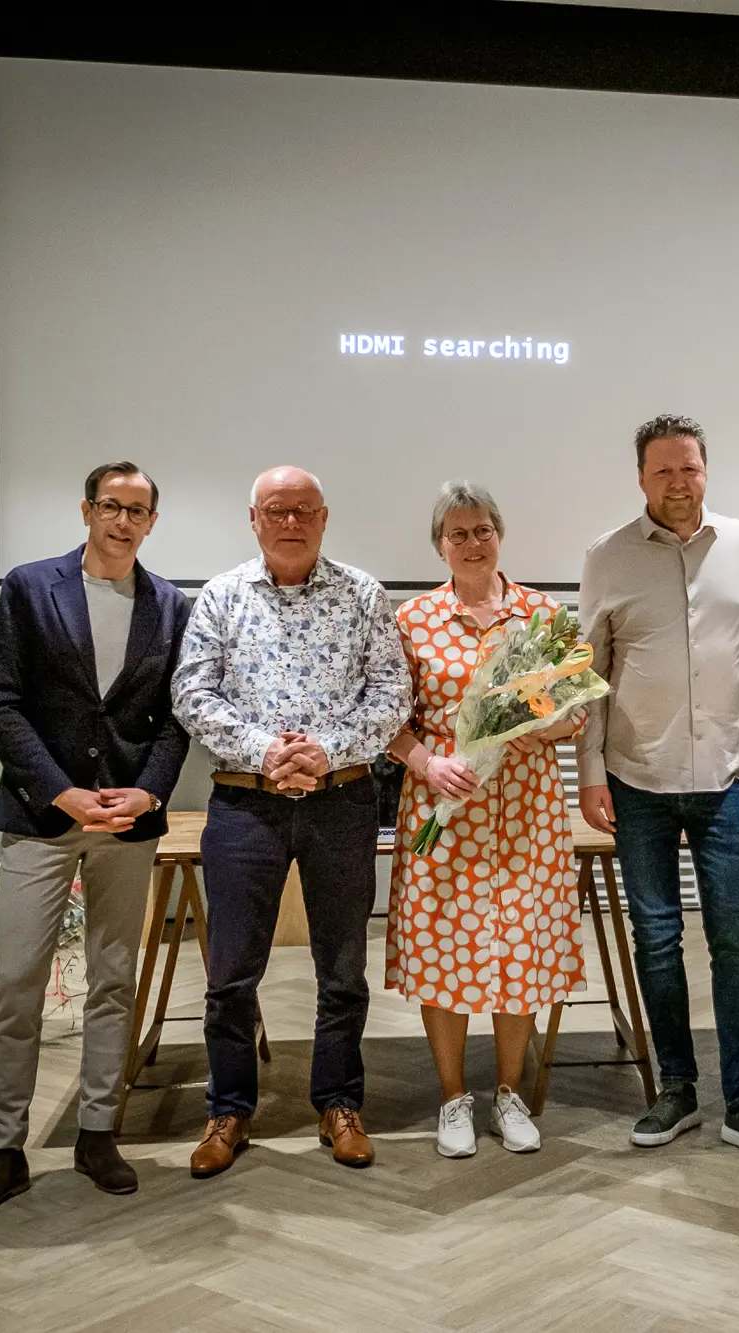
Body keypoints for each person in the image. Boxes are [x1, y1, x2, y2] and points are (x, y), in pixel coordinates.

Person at [0, 462, 191, 1224]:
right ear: (87, 510)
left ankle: (97, 1133)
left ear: (152, 522)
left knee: (115, 980)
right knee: (19, 983)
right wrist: (61, 790)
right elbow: (0, 702)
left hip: (126, 821)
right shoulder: (29, 587)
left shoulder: (171, 605)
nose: (123, 520)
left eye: (138, 510)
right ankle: (3, 1151)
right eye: (112, 505)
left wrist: (149, 791)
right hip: (40, 817)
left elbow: (178, 716)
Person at [171, 466, 408, 1178]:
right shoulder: (220, 596)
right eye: (276, 510)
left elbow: (392, 693)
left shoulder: (364, 593)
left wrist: (326, 750)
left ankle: (340, 1103)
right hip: (246, 802)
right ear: (254, 519)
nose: (291, 521)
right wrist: (267, 751)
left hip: (342, 799)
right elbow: (192, 693)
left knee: (343, 968)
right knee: (230, 973)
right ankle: (228, 1109)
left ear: (324, 517)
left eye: (304, 510)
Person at [577, 414, 739, 1163]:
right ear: (641, 478)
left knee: (736, 942)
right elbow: (589, 677)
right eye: (664, 470)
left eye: (690, 467)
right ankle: (675, 1087)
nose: (680, 482)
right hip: (636, 779)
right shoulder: (607, 557)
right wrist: (589, 774)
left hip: (729, 782)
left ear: (707, 470)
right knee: (657, 938)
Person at [385, 482, 584, 1158]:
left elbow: (576, 710)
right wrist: (427, 763)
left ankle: (508, 1092)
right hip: (443, 807)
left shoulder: (543, 614)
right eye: (458, 533)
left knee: (521, 948)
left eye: (483, 530)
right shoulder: (412, 619)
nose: (472, 543)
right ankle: (452, 1097)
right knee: (441, 946)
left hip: (526, 808)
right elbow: (388, 720)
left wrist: (539, 727)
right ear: (439, 545)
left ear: (500, 535)